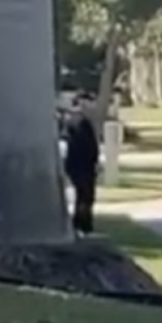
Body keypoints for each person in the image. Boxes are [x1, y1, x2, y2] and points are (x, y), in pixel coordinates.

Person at [62, 93, 100, 236]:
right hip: (82, 166)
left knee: (83, 197)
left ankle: (81, 224)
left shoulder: (74, 121)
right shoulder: (80, 122)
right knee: (85, 196)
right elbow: (85, 146)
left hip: (79, 166)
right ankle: (83, 224)